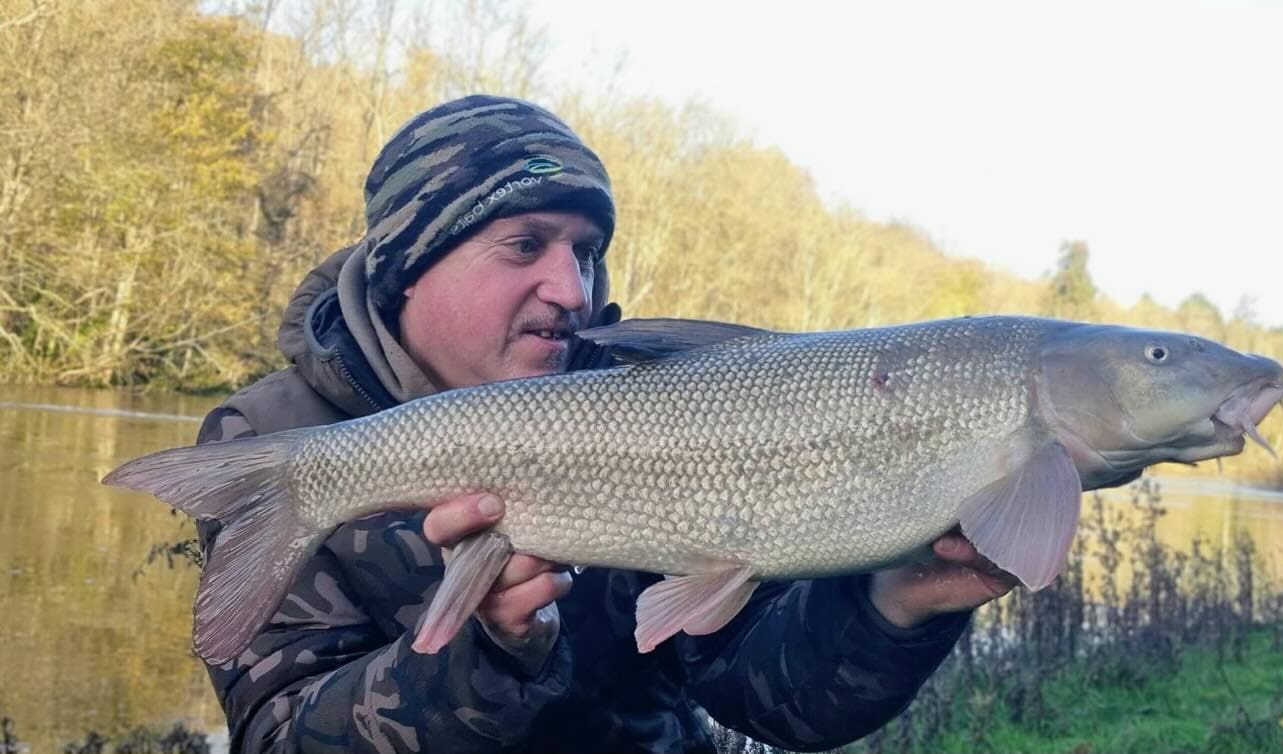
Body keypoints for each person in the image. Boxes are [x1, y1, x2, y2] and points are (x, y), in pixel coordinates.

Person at [195, 94, 1018, 754]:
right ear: (407, 270)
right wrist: (488, 657)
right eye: (526, 245)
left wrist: (896, 605)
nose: (574, 289)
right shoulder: (277, 439)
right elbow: (278, 734)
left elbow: (773, 701)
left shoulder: (652, 408)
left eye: (586, 251)